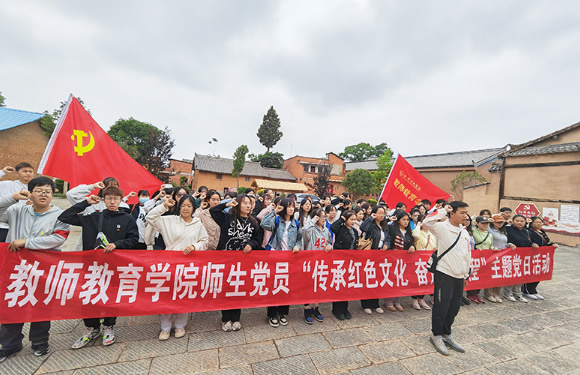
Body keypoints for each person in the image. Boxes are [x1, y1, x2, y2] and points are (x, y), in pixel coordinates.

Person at [59, 186, 139, 349]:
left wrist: (117, 244)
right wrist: (85, 202)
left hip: (114, 265)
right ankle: (92, 328)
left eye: (115, 198)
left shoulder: (127, 219)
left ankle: (109, 327)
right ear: (103, 200)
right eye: (108, 198)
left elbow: (134, 239)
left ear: (121, 200)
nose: (112, 201)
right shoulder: (93, 217)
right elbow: (65, 216)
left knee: (110, 295)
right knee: (89, 296)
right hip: (91, 266)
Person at [0, 177, 71, 362]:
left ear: (52, 194)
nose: (43, 194)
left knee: (41, 305)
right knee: (13, 304)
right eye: (39, 190)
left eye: (47, 191)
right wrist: (11, 198)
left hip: (44, 270)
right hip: (16, 268)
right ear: (30, 192)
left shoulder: (60, 215)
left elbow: (59, 238)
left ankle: (40, 342)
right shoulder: (17, 210)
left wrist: (27, 242)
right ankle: (9, 344)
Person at [146, 194, 209, 340]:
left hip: (188, 266)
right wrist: (164, 206)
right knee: (167, 296)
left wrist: (195, 246)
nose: (185, 208)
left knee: (183, 295)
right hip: (170, 264)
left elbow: (205, 241)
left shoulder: (198, 224)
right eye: (183, 205)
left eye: (189, 205)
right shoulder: (169, 221)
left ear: (194, 207)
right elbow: (150, 218)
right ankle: (165, 328)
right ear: (179, 207)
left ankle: (180, 325)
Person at [423, 202, 471, 356]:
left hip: (459, 275)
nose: (465, 216)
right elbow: (426, 222)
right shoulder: (442, 227)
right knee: (441, 307)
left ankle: (446, 334)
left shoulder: (464, 232)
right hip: (445, 274)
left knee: (454, 308)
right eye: (462, 212)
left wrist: (465, 274)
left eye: (466, 213)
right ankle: (436, 335)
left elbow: (467, 254)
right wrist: (443, 210)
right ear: (452, 213)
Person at [210, 194, 260, 331]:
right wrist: (226, 205)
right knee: (226, 289)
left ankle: (236, 318)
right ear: (237, 204)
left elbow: (257, 239)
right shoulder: (227, 218)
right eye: (244, 203)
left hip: (242, 262)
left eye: (249, 203)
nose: (248, 205)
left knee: (238, 289)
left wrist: (251, 244)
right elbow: (213, 211)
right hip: (225, 260)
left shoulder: (253, 222)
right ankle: (225, 319)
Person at [261, 198, 302, 327]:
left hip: (289, 258)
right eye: (289, 206)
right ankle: (272, 314)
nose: (291, 209)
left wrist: (297, 246)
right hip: (275, 257)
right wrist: (274, 211)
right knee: (274, 285)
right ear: (284, 207)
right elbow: (264, 224)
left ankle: (282, 313)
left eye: (293, 206)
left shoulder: (296, 223)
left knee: (285, 285)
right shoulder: (277, 220)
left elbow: (299, 239)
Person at [66, 178, 131, 251]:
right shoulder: (93, 202)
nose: (112, 189)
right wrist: (92, 186)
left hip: (113, 247)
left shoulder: (123, 206)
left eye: (115, 186)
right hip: (90, 246)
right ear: (102, 187)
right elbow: (71, 194)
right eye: (108, 186)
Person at [301, 208, 332, 323]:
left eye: (324, 216)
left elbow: (329, 241)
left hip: (321, 263)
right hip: (310, 261)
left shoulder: (326, 230)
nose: (323, 219)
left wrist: (329, 246)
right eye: (321, 217)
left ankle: (316, 307)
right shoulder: (311, 228)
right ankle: (307, 308)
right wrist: (312, 221)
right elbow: (304, 231)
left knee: (318, 285)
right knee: (308, 285)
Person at [359, 205, 391, 314]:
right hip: (370, 254)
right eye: (380, 213)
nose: (382, 215)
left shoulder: (385, 225)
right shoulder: (371, 225)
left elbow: (388, 238)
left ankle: (375, 303)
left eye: (383, 213)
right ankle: (366, 304)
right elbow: (362, 228)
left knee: (377, 279)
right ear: (374, 213)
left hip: (381, 255)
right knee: (368, 278)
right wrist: (370, 218)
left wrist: (386, 244)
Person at [329, 210, 358, 320]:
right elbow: (332, 228)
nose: (353, 221)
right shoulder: (340, 228)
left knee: (347, 286)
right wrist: (341, 219)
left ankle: (345, 308)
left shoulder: (354, 231)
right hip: (339, 260)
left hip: (350, 261)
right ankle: (337, 309)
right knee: (339, 284)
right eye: (351, 219)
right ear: (346, 219)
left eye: (354, 220)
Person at [384, 210, 415, 312]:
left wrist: (412, 247)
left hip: (403, 260)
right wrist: (387, 246)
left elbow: (411, 243)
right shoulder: (392, 229)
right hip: (392, 258)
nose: (406, 222)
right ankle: (388, 301)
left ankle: (397, 300)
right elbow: (388, 239)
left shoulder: (408, 232)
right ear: (398, 221)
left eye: (407, 220)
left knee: (399, 279)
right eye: (403, 220)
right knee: (391, 279)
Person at [504, 215, 538, 303]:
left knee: (521, 276)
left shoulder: (526, 231)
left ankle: (518, 294)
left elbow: (528, 241)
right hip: (511, 255)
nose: (519, 222)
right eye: (517, 220)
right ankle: (508, 293)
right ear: (513, 221)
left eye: (522, 221)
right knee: (511, 275)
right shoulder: (508, 229)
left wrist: (532, 244)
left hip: (524, 256)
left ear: (525, 222)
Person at [523, 216, 558, 300]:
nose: (539, 224)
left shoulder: (542, 231)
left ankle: (533, 290)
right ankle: (527, 291)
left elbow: (546, 242)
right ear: (531, 223)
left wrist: (552, 245)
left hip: (541, 256)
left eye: (540, 222)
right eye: (536, 222)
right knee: (530, 273)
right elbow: (527, 241)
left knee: (538, 273)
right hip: (531, 255)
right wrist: (532, 244)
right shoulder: (528, 231)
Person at [0, 162, 35, 242]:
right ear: (17, 173)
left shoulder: (36, 189)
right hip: (3, 226)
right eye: (24, 171)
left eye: (30, 171)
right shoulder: (7, 184)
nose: (28, 173)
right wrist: (2, 172)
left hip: (21, 228)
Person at [483, 214, 513, 303]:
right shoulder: (489, 230)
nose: (500, 224)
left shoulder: (503, 231)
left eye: (501, 222)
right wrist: (489, 220)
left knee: (500, 275)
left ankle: (497, 294)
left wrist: (509, 245)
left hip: (502, 255)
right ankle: (489, 294)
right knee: (491, 274)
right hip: (492, 255)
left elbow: (504, 243)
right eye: (498, 222)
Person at [411, 214, 436, 310]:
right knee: (416, 279)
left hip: (428, 260)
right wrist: (418, 225)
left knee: (426, 279)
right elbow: (415, 236)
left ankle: (421, 298)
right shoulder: (418, 232)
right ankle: (414, 299)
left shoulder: (432, 234)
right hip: (418, 260)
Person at [466, 216, 493, 304]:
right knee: (473, 275)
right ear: (477, 223)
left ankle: (477, 293)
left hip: (486, 258)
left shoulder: (489, 234)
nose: (485, 225)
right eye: (482, 223)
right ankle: (470, 294)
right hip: (475, 257)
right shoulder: (473, 231)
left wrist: (494, 248)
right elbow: (469, 224)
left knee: (482, 275)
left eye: (486, 223)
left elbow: (490, 245)